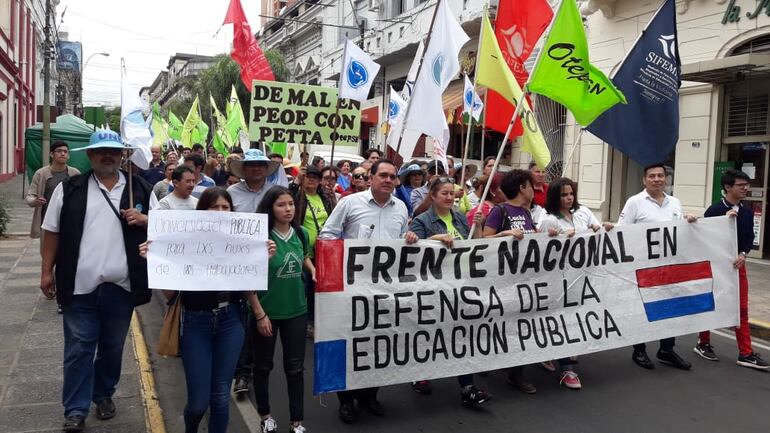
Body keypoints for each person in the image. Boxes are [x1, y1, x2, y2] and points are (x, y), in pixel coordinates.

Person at [40, 129, 158, 432]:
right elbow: (51, 231)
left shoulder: (141, 189)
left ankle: (103, 393)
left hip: (121, 286)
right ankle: (75, 409)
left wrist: (146, 221)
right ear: (91, 156)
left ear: (123, 156)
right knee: (78, 348)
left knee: (112, 347)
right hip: (79, 286)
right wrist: (45, 271)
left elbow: (166, 233)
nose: (109, 156)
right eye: (102, 151)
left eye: (115, 152)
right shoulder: (69, 189)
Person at [140, 188, 276, 433]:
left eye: (226, 208)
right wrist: (155, 260)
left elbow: (249, 285)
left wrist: (259, 259)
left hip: (231, 321)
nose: (221, 212)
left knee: (220, 396)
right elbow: (171, 296)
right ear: (203, 211)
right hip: (195, 323)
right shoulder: (188, 242)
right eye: (215, 208)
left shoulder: (239, 243)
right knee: (198, 402)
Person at [319, 159, 418, 424]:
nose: (388, 180)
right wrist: (349, 257)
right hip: (353, 288)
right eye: (383, 175)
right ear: (371, 177)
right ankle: (347, 400)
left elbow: (402, 240)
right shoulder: (350, 203)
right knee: (352, 343)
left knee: (378, 344)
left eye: (392, 177)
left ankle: (370, 396)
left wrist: (409, 238)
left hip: (385, 289)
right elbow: (327, 236)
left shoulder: (400, 208)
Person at [408, 177, 489, 405]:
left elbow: (477, 247)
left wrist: (480, 227)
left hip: (462, 285)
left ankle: (467, 386)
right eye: (444, 193)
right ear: (432, 196)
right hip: (433, 287)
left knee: (461, 334)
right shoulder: (422, 220)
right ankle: (419, 374)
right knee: (429, 331)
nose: (450, 197)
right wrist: (436, 238)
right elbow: (414, 250)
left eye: (452, 193)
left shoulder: (461, 218)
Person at [618, 163, 697, 371]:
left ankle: (666, 349)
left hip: (669, 268)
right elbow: (622, 233)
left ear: (666, 179)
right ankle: (640, 350)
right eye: (651, 176)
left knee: (669, 308)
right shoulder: (634, 202)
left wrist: (688, 220)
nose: (656, 179)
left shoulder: (675, 203)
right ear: (644, 180)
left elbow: (678, 231)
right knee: (643, 309)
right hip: (643, 267)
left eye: (660, 175)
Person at [253, 186, 315, 433]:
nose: (288, 209)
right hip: (266, 312)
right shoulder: (261, 237)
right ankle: (265, 415)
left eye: (291, 204)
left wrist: (312, 269)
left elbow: (303, 256)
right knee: (263, 365)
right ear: (270, 207)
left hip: (297, 310)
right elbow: (247, 278)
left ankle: (296, 421)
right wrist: (259, 314)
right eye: (281, 204)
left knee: (295, 367)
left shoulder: (301, 234)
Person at [693, 169, 769, 370]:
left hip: (737, 268)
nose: (745, 188)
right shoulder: (714, 210)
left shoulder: (746, 211)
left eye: (747, 185)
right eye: (740, 185)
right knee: (710, 303)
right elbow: (704, 238)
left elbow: (748, 239)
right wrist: (723, 222)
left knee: (741, 308)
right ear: (728, 187)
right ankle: (703, 342)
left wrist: (743, 254)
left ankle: (746, 353)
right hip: (715, 268)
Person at [537, 177, 604, 390]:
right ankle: (566, 369)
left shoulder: (580, 214)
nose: (568, 198)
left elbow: (596, 232)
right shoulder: (549, 219)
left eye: (571, 194)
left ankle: (548, 352)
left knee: (573, 317)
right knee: (561, 321)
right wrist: (558, 238)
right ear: (555, 196)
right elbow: (542, 252)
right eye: (564, 194)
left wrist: (601, 229)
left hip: (578, 276)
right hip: (557, 279)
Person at [227, 149, 282, 395]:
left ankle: (260, 369)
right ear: (244, 169)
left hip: (269, 264)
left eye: (261, 165)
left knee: (265, 316)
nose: (256, 169)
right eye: (251, 165)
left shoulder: (276, 193)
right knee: (244, 317)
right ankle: (242, 372)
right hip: (237, 263)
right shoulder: (231, 194)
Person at [483, 169, 538, 394]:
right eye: (531, 186)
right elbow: (484, 240)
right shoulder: (500, 210)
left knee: (521, 324)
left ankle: (517, 373)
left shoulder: (526, 213)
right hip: (503, 278)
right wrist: (504, 235)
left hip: (524, 278)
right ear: (522, 188)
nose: (534, 190)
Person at [290, 166, 335, 338]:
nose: (311, 180)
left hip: (324, 251)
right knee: (307, 286)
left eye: (316, 177)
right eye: (308, 176)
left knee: (321, 286)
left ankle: (319, 318)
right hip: (304, 250)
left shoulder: (324, 197)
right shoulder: (297, 196)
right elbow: (286, 197)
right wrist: (296, 183)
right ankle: (307, 321)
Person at [26, 140, 81, 241]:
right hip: (47, 221)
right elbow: (30, 196)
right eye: (59, 151)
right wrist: (35, 201)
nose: (63, 153)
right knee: (47, 254)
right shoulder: (41, 173)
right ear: (51, 154)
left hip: (69, 220)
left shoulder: (75, 173)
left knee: (68, 253)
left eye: (65, 151)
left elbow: (82, 196)